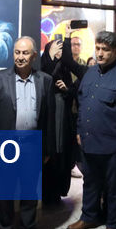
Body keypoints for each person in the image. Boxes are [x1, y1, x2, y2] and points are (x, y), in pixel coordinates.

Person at [65, 31, 116, 229]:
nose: (99, 53)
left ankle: (114, 225)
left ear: (115, 51)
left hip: (115, 144)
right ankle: (89, 217)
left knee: (115, 188)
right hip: (89, 142)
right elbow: (82, 105)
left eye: (105, 50)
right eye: (97, 48)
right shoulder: (89, 74)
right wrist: (79, 131)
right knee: (90, 183)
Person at [0, 36, 56, 229]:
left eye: (25, 53)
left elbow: (49, 118)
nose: (20, 57)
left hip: (32, 145)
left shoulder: (45, 80)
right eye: (17, 52)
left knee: (29, 190)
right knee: (5, 191)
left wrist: (47, 149)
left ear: (33, 56)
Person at [40, 39, 76, 203]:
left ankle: (58, 192)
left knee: (62, 152)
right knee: (50, 151)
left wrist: (66, 89)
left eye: (61, 49)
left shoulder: (66, 67)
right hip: (49, 115)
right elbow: (46, 77)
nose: (58, 52)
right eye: (55, 48)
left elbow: (73, 91)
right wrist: (50, 57)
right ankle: (47, 194)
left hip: (63, 115)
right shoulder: (44, 64)